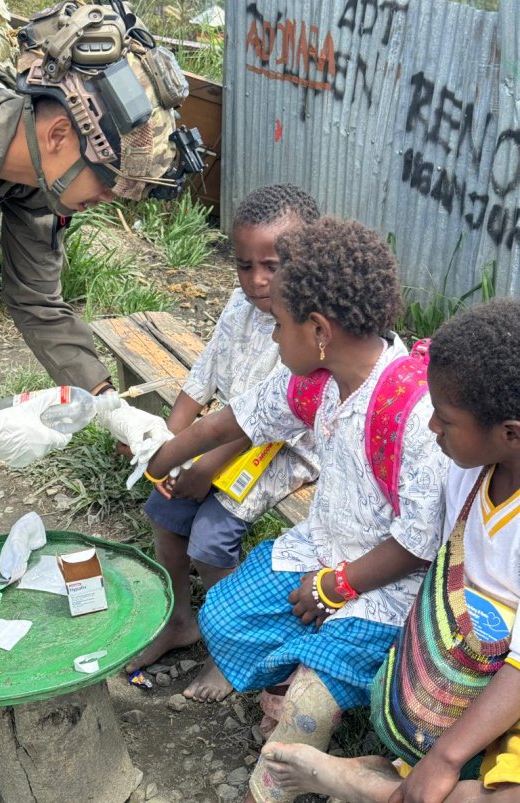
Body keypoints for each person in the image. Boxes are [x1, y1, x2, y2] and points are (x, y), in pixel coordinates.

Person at [0, 0, 202, 760]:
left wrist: (115, 406)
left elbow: (37, 299)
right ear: (59, 132)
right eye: (102, 186)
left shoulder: (32, 166)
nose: (100, 202)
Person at [142, 217, 448, 803]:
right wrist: (165, 456)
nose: (275, 340)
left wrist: (336, 587)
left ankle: (281, 773)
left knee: (310, 704)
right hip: (324, 546)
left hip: (387, 587)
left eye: (280, 327)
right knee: (225, 616)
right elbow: (236, 418)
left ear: (319, 328)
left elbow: (417, 544)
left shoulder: (410, 411)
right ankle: (291, 680)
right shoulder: (317, 380)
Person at [261, 298, 520, 803]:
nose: (430, 429)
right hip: (459, 665)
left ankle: (362, 784)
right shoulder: (469, 467)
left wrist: (445, 758)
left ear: (510, 434)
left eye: (444, 420)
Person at [126, 183, 320, 681]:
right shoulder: (239, 305)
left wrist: (203, 469)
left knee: (211, 541)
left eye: (272, 266)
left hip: (283, 449)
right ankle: (179, 622)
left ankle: (228, 649)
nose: (256, 281)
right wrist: (164, 444)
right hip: (226, 434)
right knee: (168, 517)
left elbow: (270, 419)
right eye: (244, 265)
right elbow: (202, 378)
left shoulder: (307, 322)